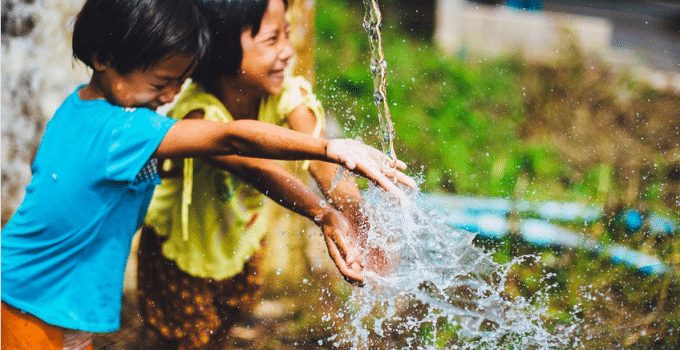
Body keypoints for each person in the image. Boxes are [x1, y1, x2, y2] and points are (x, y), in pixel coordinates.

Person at [0, 0, 415, 349]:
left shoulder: (83, 109)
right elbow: (232, 140)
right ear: (104, 59)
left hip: (53, 297)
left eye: (178, 83)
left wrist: (330, 211)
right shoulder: (120, 130)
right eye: (162, 82)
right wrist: (329, 147)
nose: (169, 97)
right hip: (32, 301)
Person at [136, 0, 399, 348]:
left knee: (227, 320)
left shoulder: (286, 94)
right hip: (181, 252)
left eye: (288, 35)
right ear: (223, 48)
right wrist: (322, 213)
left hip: (242, 239)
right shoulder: (196, 114)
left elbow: (322, 159)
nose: (288, 52)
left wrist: (355, 215)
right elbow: (255, 168)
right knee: (186, 339)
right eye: (272, 40)